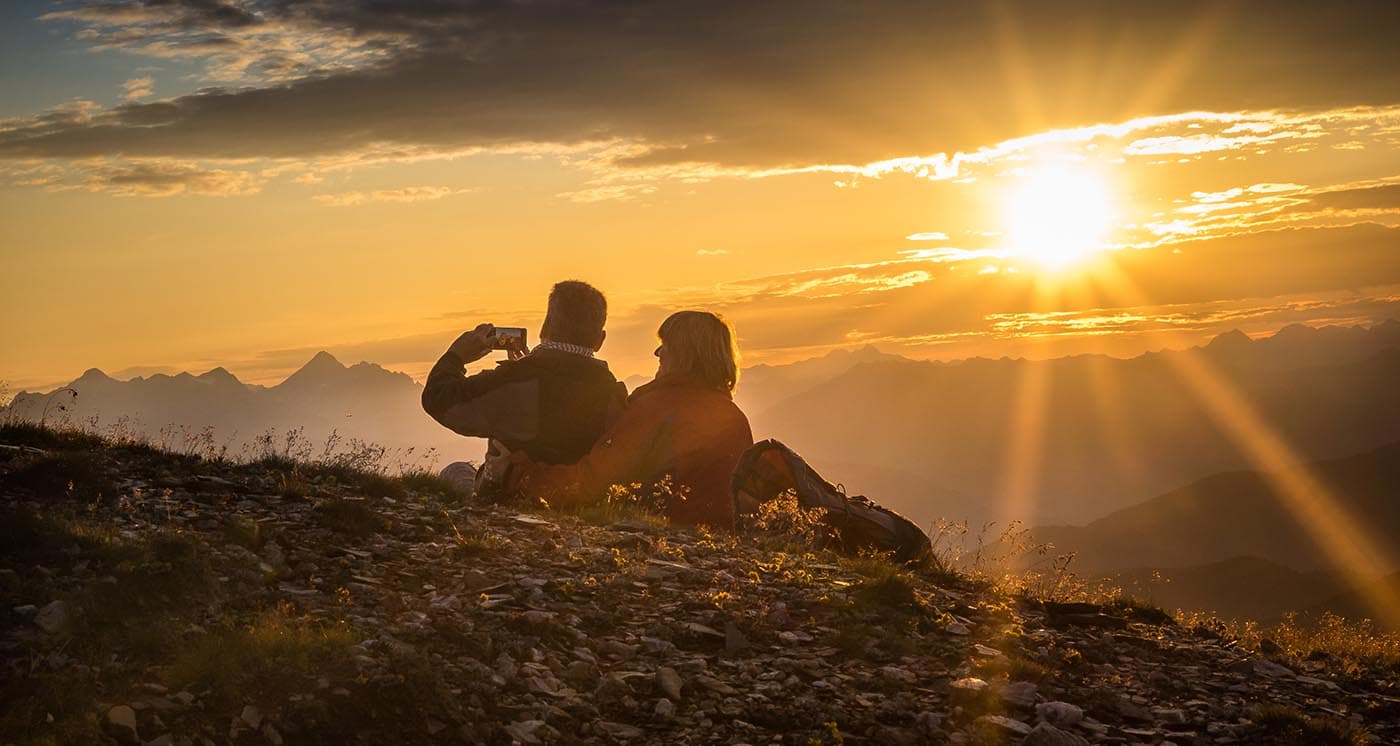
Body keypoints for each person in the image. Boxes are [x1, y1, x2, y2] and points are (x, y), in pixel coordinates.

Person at [513, 310, 754, 528]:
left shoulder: (658, 408)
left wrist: (521, 475)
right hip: (717, 541)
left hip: (663, 534)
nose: (658, 352)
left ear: (684, 354)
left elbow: (589, 483)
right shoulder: (734, 418)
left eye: (665, 344)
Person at [422, 281, 627, 492]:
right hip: (579, 497)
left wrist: (456, 356)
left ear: (545, 327)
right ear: (600, 340)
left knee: (456, 470)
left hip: (513, 497)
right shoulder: (612, 391)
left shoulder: (518, 380)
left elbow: (438, 399)